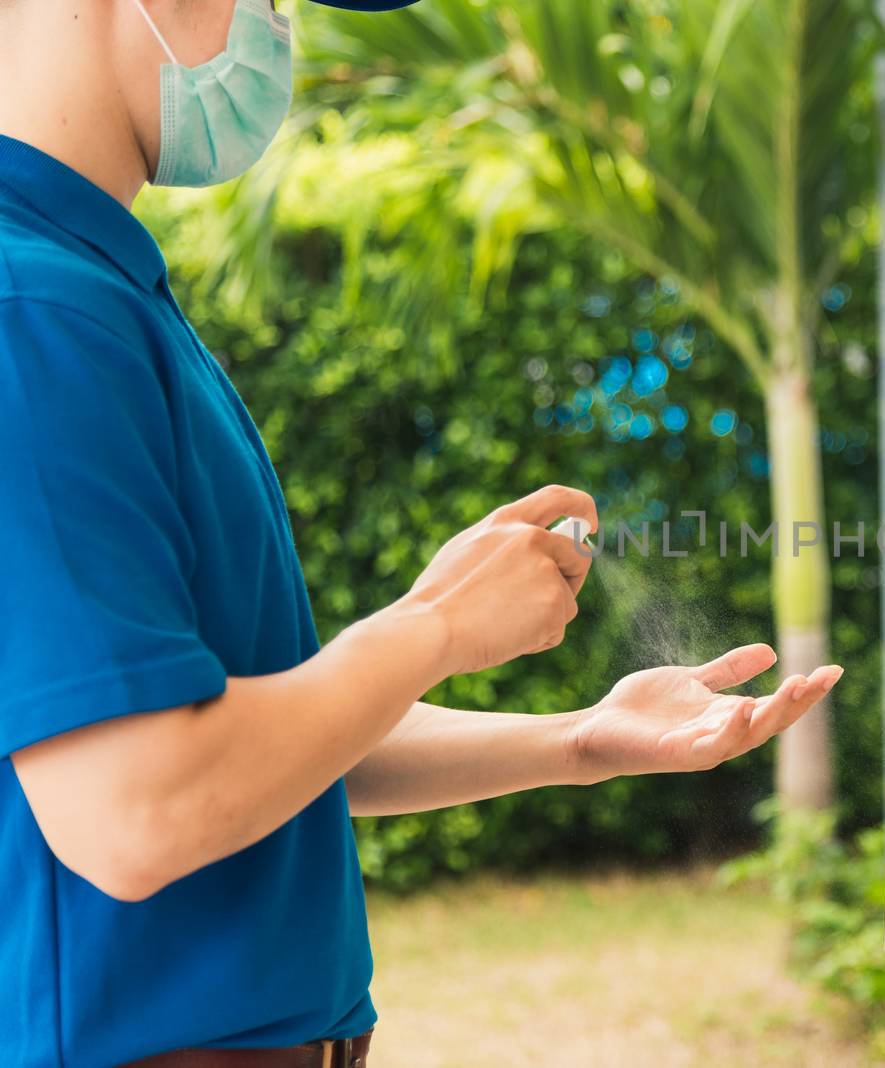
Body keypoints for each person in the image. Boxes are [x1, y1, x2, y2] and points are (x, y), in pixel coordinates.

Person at [0, 0, 842, 1064]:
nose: (277, 34)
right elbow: (140, 810)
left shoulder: (97, 293)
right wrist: (437, 626)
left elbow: (257, 741)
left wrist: (582, 741)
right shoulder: (35, 312)